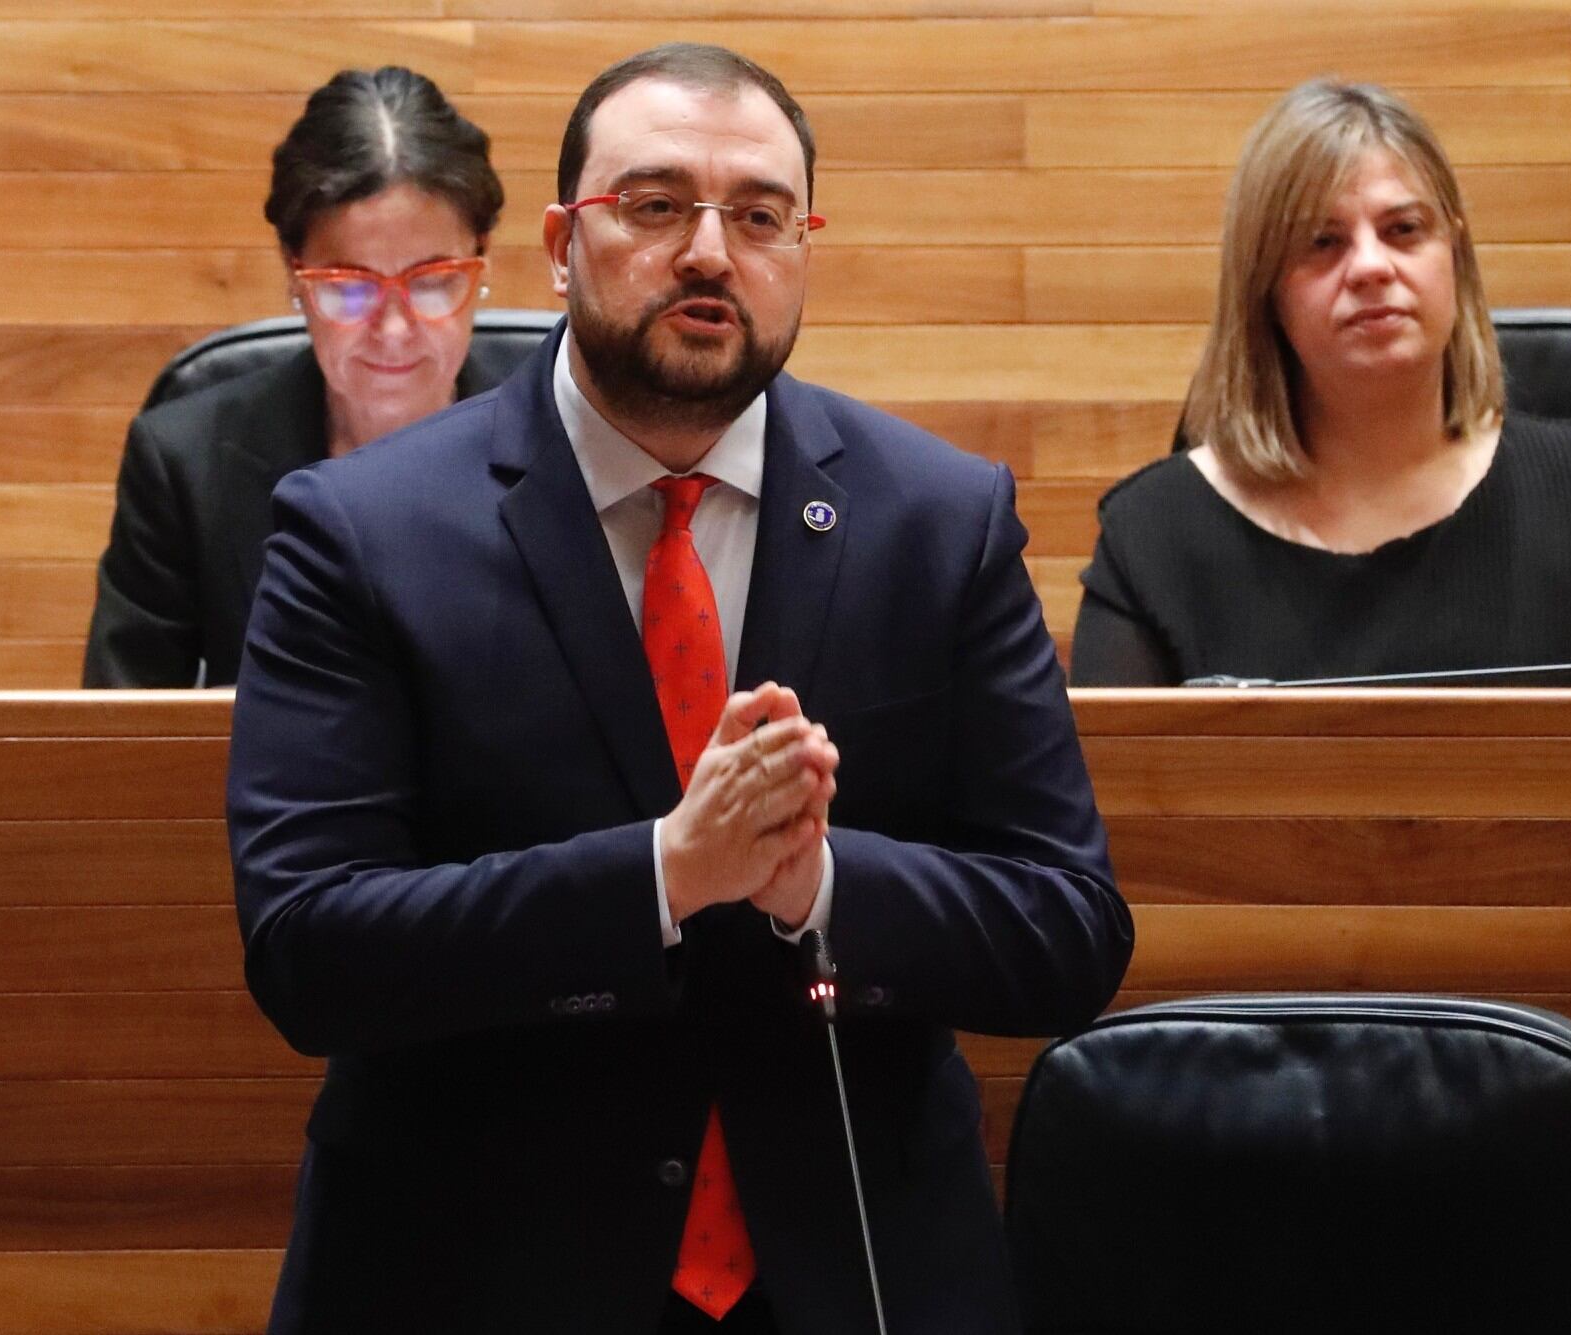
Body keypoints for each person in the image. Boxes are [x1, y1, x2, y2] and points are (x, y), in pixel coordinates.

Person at [226, 42, 1131, 1335]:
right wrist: (661, 871)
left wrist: (816, 882)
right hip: (471, 1270)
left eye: (758, 215)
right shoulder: (358, 530)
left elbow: (1066, 933)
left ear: (801, 248)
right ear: (557, 242)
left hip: (852, 1272)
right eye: (654, 206)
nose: (709, 250)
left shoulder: (939, 520)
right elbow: (310, 952)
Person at [1071, 79, 1571, 687]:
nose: (1368, 266)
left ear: (1454, 256)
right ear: (1263, 289)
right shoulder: (1150, 535)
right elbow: (1109, 808)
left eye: (1403, 230)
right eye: (1321, 241)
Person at [83, 66, 505, 687]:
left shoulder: (566, 431)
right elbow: (126, 745)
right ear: (293, 270)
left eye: (434, 280)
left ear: (481, 258)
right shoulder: (184, 462)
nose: (393, 330)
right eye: (349, 288)